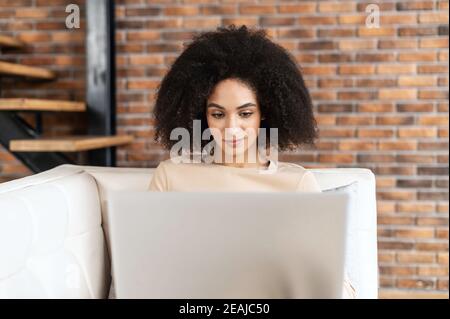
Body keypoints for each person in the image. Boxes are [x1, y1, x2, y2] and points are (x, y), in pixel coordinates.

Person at [147, 25, 356, 299]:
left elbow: (339, 287)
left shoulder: (296, 184)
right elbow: (146, 270)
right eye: (218, 114)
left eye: (245, 113)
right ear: (202, 118)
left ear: (265, 115)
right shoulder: (171, 177)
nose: (232, 128)